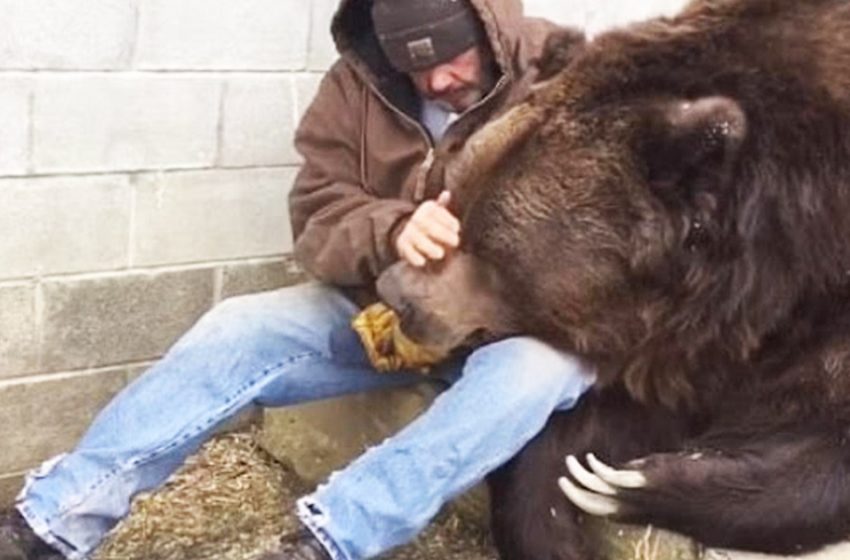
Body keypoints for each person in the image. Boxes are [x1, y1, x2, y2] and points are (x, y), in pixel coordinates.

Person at [0, 1, 595, 559]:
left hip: (514, 329)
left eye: (448, 58)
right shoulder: (353, 87)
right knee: (240, 326)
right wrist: (391, 230)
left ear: (487, 26)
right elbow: (317, 214)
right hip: (385, 314)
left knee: (541, 372)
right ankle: (54, 520)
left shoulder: (567, 78)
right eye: (413, 66)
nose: (436, 81)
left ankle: (331, 537)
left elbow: (609, 229)